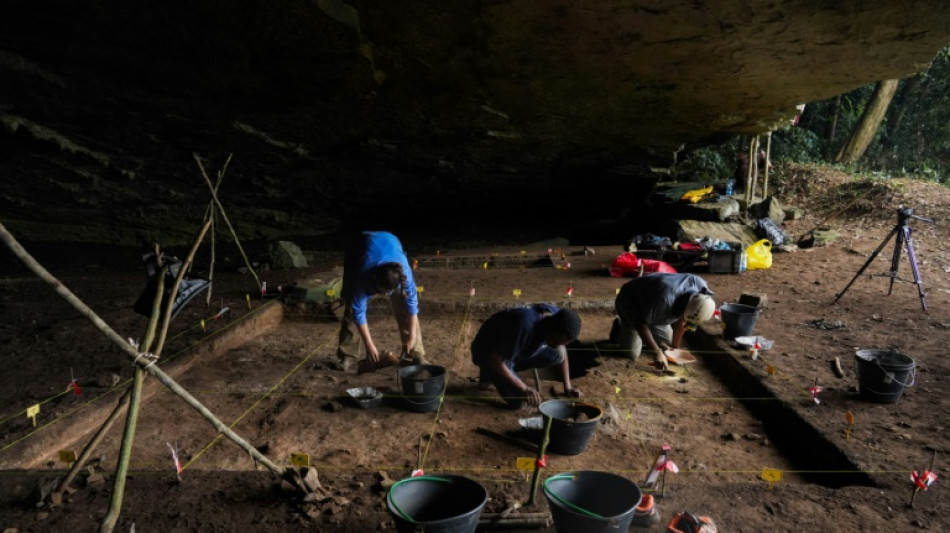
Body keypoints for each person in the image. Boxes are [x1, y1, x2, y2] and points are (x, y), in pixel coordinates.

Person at [336, 231, 426, 372]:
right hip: (359, 248)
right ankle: (348, 354)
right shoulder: (362, 276)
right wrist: (369, 345)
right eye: (381, 291)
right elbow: (359, 313)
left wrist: (411, 338)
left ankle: (416, 353)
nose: (384, 295)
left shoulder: (404, 276)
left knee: (404, 305)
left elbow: (412, 309)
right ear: (373, 281)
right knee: (351, 307)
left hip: (391, 241)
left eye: (388, 292)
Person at [471, 303, 581, 409]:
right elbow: (495, 360)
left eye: (562, 342)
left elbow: (562, 349)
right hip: (489, 352)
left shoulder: (556, 317)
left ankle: (503, 372)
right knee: (520, 401)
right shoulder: (524, 327)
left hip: (513, 346)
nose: (558, 344)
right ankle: (488, 372)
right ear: (551, 327)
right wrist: (524, 389)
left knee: (559, 353)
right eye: (557, 340)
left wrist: (568, 387)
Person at [613, 273, 715, 371]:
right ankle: (621, 325)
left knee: (667, 346)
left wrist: (675, 348)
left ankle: (650, 327)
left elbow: (683, 322)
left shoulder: (702, 293)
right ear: (684, 306)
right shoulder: (664, 300)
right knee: (632, 354)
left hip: (655, 307)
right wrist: (656, 352)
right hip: (632, 301)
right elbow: (640, 322)